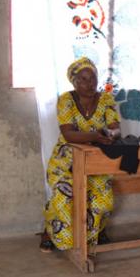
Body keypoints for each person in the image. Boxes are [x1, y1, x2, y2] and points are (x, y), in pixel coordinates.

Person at [39, 57, 120, 252]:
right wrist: (95, 135)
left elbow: (115, 128)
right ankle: (50, 232)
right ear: (74, 82)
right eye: (83, 79)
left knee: (104, 200)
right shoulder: (66, 100)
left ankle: (96, 232)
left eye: (92, 78)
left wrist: (110, 135)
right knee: (65, 197)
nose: (89, 83)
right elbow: (68, 134)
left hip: (94, 162)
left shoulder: (106, 99)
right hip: (66, 162)